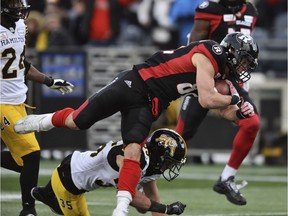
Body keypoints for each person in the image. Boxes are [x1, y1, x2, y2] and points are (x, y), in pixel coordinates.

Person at [14, 32, 259, 216]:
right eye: (244, 61)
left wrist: (240, 111)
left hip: (150, 102)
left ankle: (120, 209)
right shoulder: (211, 52)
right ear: (231, 51)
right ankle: (42, 121)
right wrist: (235, 99)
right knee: (78, 121)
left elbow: (224, 110)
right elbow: (207, 99)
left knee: (133, 149)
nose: (244, 68)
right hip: (135, 81)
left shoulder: (223, 76)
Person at [175, 0, 259, 206]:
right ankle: (143, 170)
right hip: (208, 76)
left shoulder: (251, 11)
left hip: (232, 80)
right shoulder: (209, 9)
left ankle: (226, 178)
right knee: (180, 137)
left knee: (251, 123)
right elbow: (192, 46)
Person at [0, 1, 74, 215]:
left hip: (17, 101)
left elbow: (21, 65)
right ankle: (28, 210)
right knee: (32, 154)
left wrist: (49, 80)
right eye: (14, 2)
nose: (20, 7)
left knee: (24, 163)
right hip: (2, 102)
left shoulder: (21, 26)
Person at [30, 128, 187, 216]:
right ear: (158, 154)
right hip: (68, 182)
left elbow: (151, 195)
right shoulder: (134, 159)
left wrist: (159, 209)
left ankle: (48, 195)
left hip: (77, 169)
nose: (170, 167)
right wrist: (166, 209)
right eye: (169, 163)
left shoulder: (149, 163)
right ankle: (51, 196)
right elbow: (129, 197)